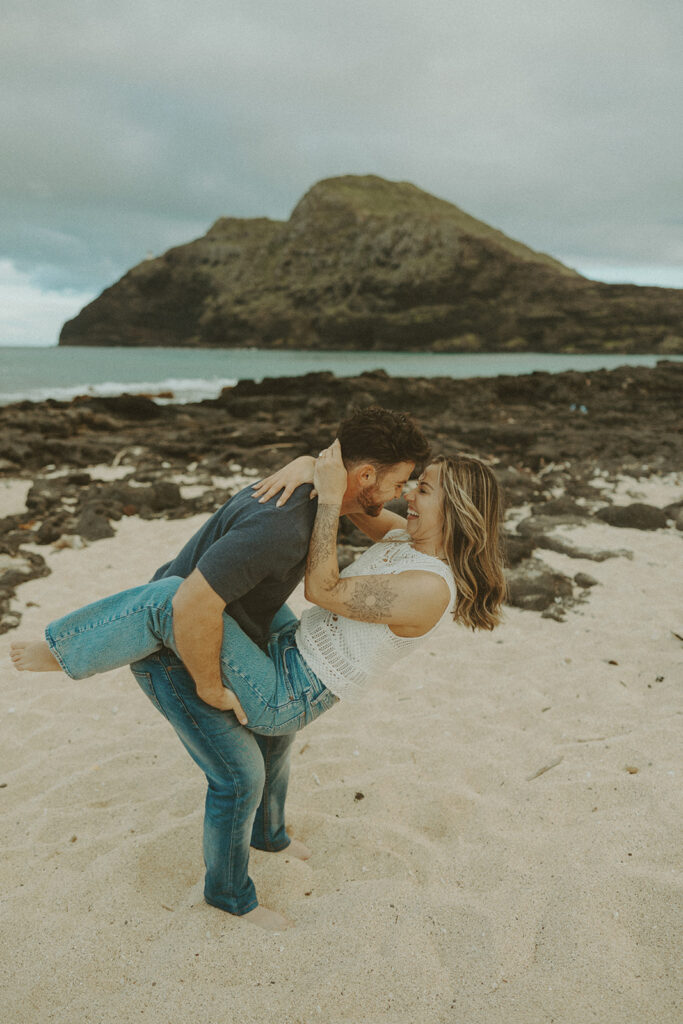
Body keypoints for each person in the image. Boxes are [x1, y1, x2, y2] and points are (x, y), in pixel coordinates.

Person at [10, 406, 431, 932]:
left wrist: (309, 464)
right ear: (364, 476)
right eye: (400, 480)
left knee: (276, 737)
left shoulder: (315, 498)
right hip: (179, 649)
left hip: (228, 627)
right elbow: (188, 606)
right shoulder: (283, 524)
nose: (403, 491)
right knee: (239, 775)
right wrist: (209, 687)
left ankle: (269, 835)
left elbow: (359, 509)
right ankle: (229, 897)